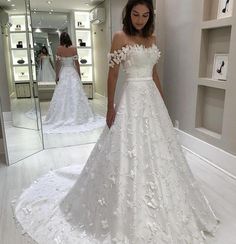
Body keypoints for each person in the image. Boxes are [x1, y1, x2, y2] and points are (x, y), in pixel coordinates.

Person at [14, 0, 219, 243]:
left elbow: (153, 74)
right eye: (136, 14)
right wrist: (110, 106)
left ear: (150, 17)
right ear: (128, 14)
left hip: (151, 100)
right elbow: (113, 74)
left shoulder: (152, 39)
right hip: (131, 97)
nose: (140, 19)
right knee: (127, 147)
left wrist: (163, 102)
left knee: (160, 148)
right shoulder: (120, 37)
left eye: (145, 15)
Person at [43, 32, 104, 133]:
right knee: (76, 94)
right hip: (72, 72)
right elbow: (77, 64)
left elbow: (57, 64)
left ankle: (61, 116)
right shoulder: (74, 48)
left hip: (64, 72)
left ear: (61, 39)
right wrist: (79, 75)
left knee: (62, 95)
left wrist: (57, 75)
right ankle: (79, 115)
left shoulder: (59, 49)